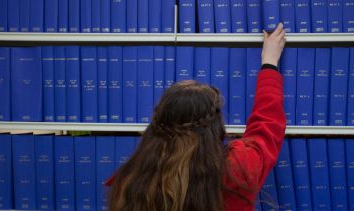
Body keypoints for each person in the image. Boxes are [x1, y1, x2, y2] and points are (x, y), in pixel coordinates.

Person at [106, 23, 286, 211]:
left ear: (157, 122)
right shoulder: (234, 170)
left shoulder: (131, 181)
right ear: (214, 126)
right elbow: (267, 127)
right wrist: (269, 64)